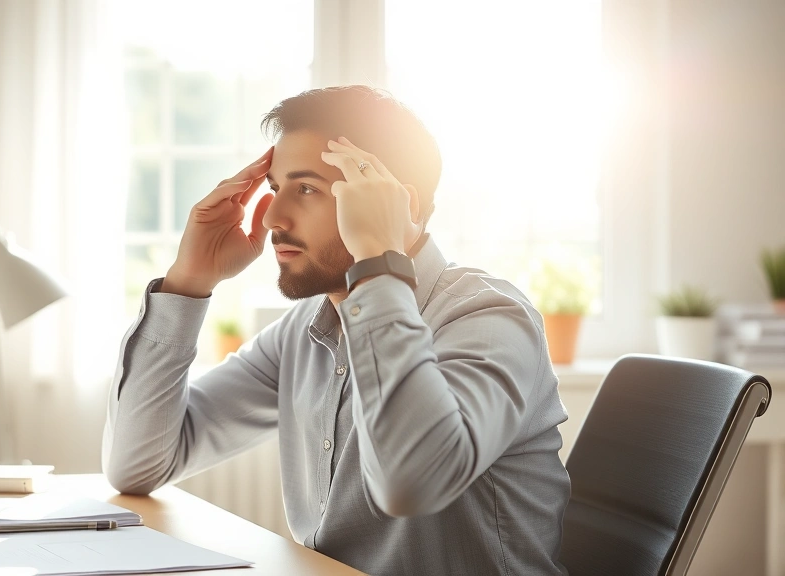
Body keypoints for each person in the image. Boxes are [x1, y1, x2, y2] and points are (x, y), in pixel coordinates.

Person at [103, 85, 570, 576]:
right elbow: (137, 466)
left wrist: (377, 260)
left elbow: (409, 484)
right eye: (275, 189)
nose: (275, 217)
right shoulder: (305, 329)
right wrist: (188, 282)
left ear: (394, 205)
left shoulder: (489, 319)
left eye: (306, 189)